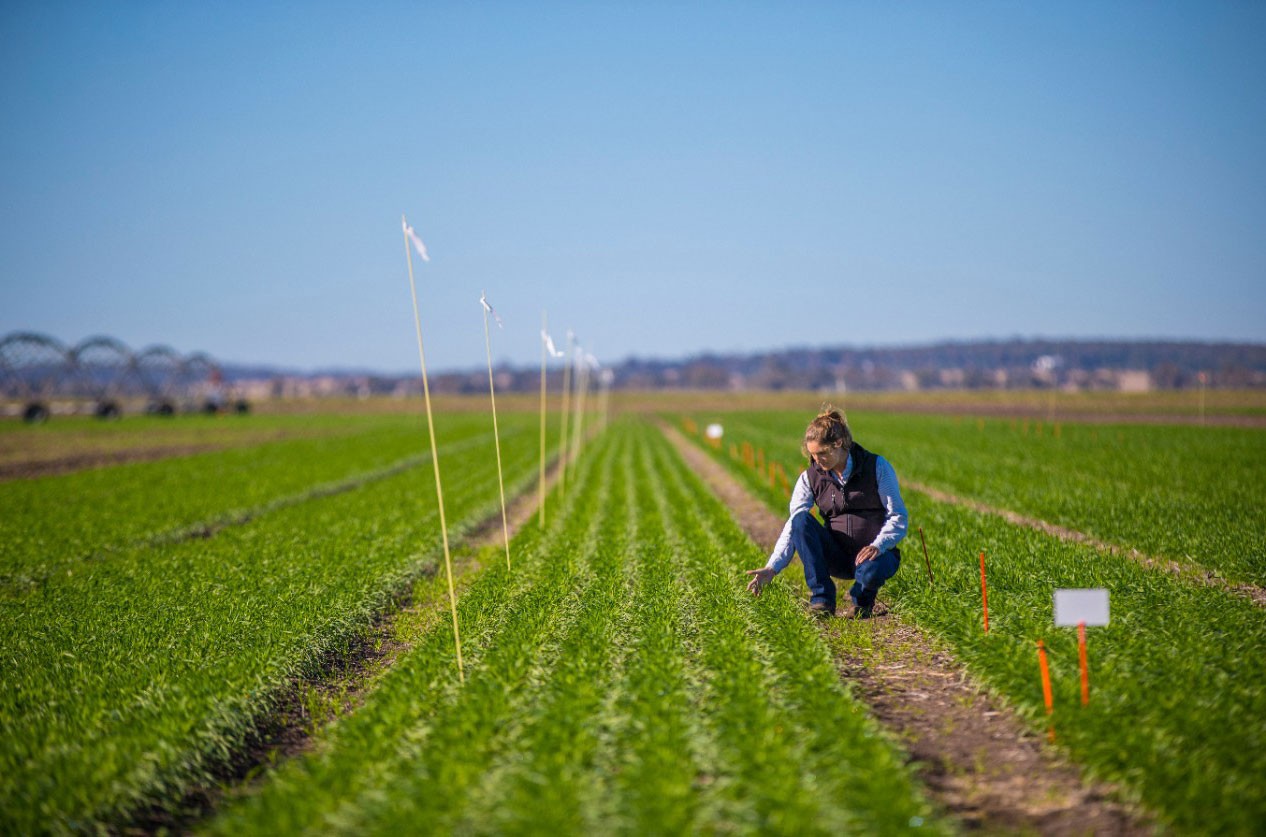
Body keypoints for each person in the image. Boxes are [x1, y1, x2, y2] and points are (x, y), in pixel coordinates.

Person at [745, 408, 906, 618]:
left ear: (838, 443)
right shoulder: (810, 477)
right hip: (836, 555)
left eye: (822, 453)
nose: (817, 460)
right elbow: (795, 525)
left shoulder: (877, 466)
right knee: (800, 519)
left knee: (871, 571)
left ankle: (862, 601)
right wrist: (772, 568)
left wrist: (878, 545)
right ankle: (822, 599)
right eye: (812, 454)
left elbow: (897, 516)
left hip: (876, 555)